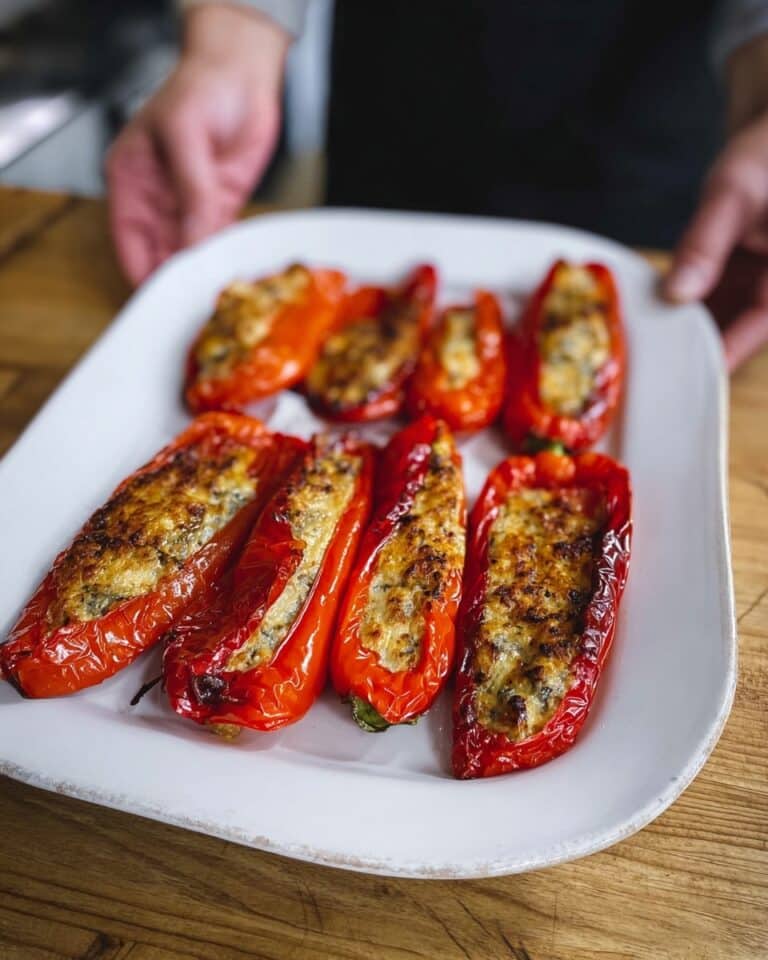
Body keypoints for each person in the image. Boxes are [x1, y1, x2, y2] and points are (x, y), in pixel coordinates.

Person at [107, 0, 768, 370]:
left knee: (638, 329)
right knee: (367, 288)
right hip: (400, 97)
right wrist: (234, 36)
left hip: (649, 136)